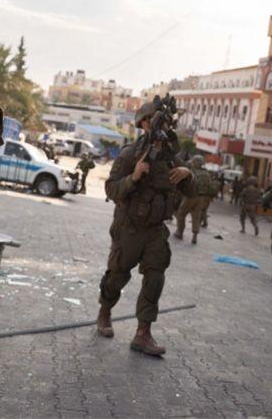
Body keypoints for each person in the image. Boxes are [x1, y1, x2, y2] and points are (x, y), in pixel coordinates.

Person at [96, 102, 193, 355]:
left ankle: (143, 333)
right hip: (129, 227)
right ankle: (105, 312)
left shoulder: (172, 157)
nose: (160, 125)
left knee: (155, 278)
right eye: (151, 120)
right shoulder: (131, 154)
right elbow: (111, 189)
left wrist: (187, 174)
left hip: (155, 230)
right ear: (144, 124)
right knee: (117, 276)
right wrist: (134, 177)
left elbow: (190, 191)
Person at [173, 155, 213, 244]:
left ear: (195, 162)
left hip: (190, 196)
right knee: (196, 217)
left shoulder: (191, 172)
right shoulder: (206, 174)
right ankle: (194, 236)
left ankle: (180, 232)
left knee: (181, 213)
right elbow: (210, 186)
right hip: (202, 198)